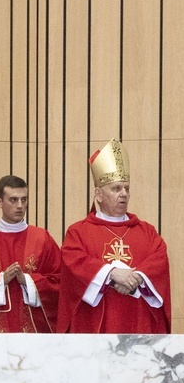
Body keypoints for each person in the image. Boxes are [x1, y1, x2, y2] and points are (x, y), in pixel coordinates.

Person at [58, 139, 170, 333]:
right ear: (98, 194)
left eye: (126, 188)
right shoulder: (78, 233)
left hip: (139, 322)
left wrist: (136, 278)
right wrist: (111, 274)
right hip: (93, 327)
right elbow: (74, 263)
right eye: (116, 188)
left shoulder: (147, 232)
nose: (124, 194)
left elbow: (159, 261)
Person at [0, 175, 60, 333]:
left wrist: (27, 281)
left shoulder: (42, 239)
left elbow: (59, 282)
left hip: (34, 333)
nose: (20, 206)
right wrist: (1, 280)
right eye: (13, 200)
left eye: (24, 200)